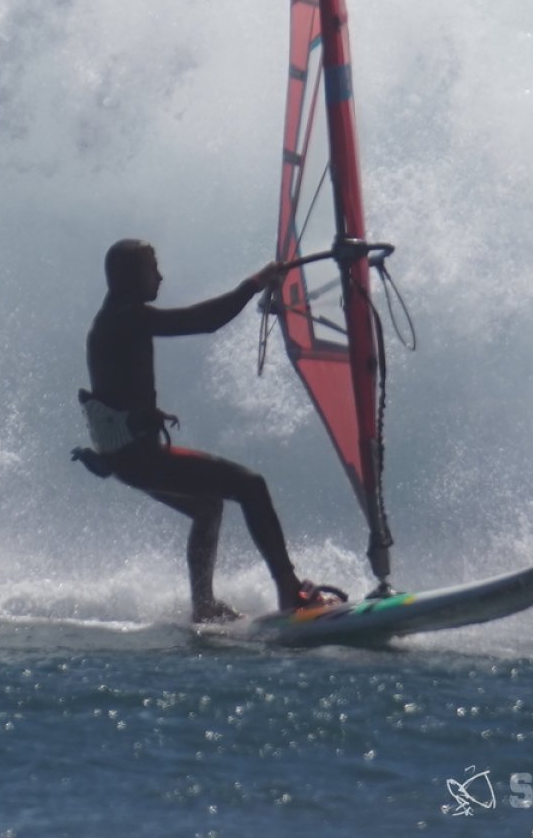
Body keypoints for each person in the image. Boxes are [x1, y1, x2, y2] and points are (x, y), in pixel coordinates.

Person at [75, 237, 338, 622]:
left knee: (207, 507)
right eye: (153, 268)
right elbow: (204, 321)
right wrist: (256, 282)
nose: (161, 277)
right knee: (250, 485)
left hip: (128, 457)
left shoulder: (116, 318)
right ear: (131, 276)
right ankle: (289, 589)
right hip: (137, 457)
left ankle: (203, 605)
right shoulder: (124, 318)